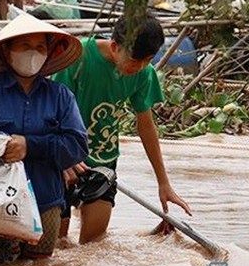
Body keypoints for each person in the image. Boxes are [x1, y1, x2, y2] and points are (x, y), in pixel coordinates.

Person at [0, 13, 88, 266]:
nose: (33, 53)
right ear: (6, 51)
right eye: (24, 46)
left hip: (46, 204)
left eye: (40, 47)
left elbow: (77, 146)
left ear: (48, 53)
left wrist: (30, 145)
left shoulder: (60, 97)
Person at [51, 14, 192, 244]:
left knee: (93, 246)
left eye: (148, 60)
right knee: (57, 244)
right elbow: (50, 110)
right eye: (135, 60)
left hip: (103, 161)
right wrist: (61, 158)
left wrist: (163, 183)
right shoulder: (79, 57)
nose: (141, 67)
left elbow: (146, 126)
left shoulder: (144, 73)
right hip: (62, 160)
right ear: (115, 47)